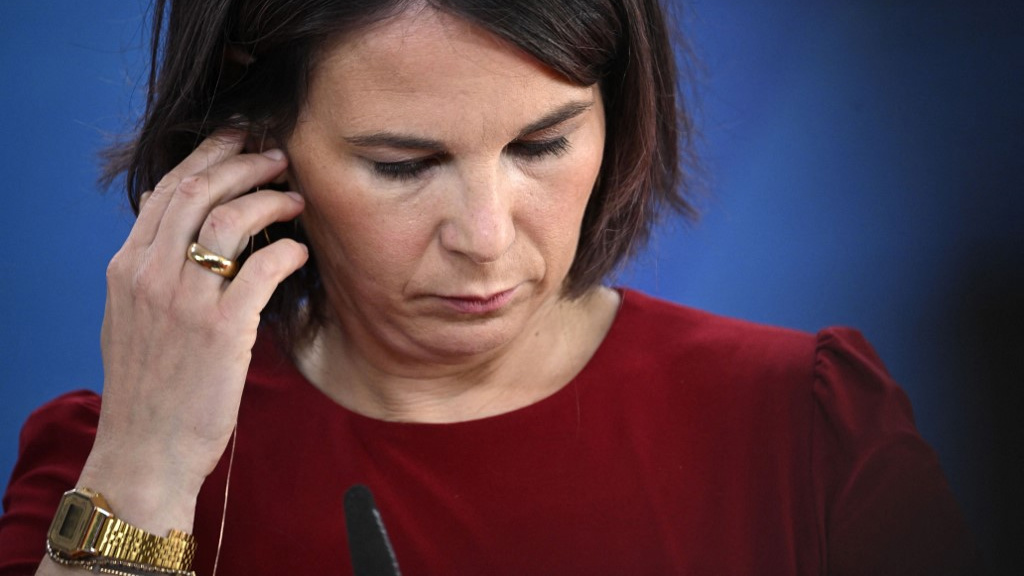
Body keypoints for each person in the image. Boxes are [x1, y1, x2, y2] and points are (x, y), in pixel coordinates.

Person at [0, 0, 979, 574]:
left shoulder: (804, 421)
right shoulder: (105, 464)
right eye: (403, 164)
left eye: (542, 145)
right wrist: (145, 477)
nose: (484, 238)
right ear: (252, 147)